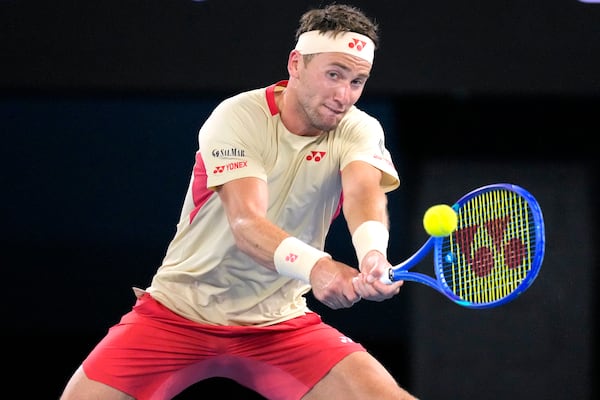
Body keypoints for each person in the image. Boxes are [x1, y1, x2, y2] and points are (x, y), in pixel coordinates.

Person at [60, 3, 418, 400]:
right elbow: (247, 226)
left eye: (357, 81)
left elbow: (363, 194)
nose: (343, 96)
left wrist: (372, 255)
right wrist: (319, 268)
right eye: (333, 74)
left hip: (279, 324)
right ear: (296, 64)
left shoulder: (359, 129)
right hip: (176, 313)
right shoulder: (238, 116)